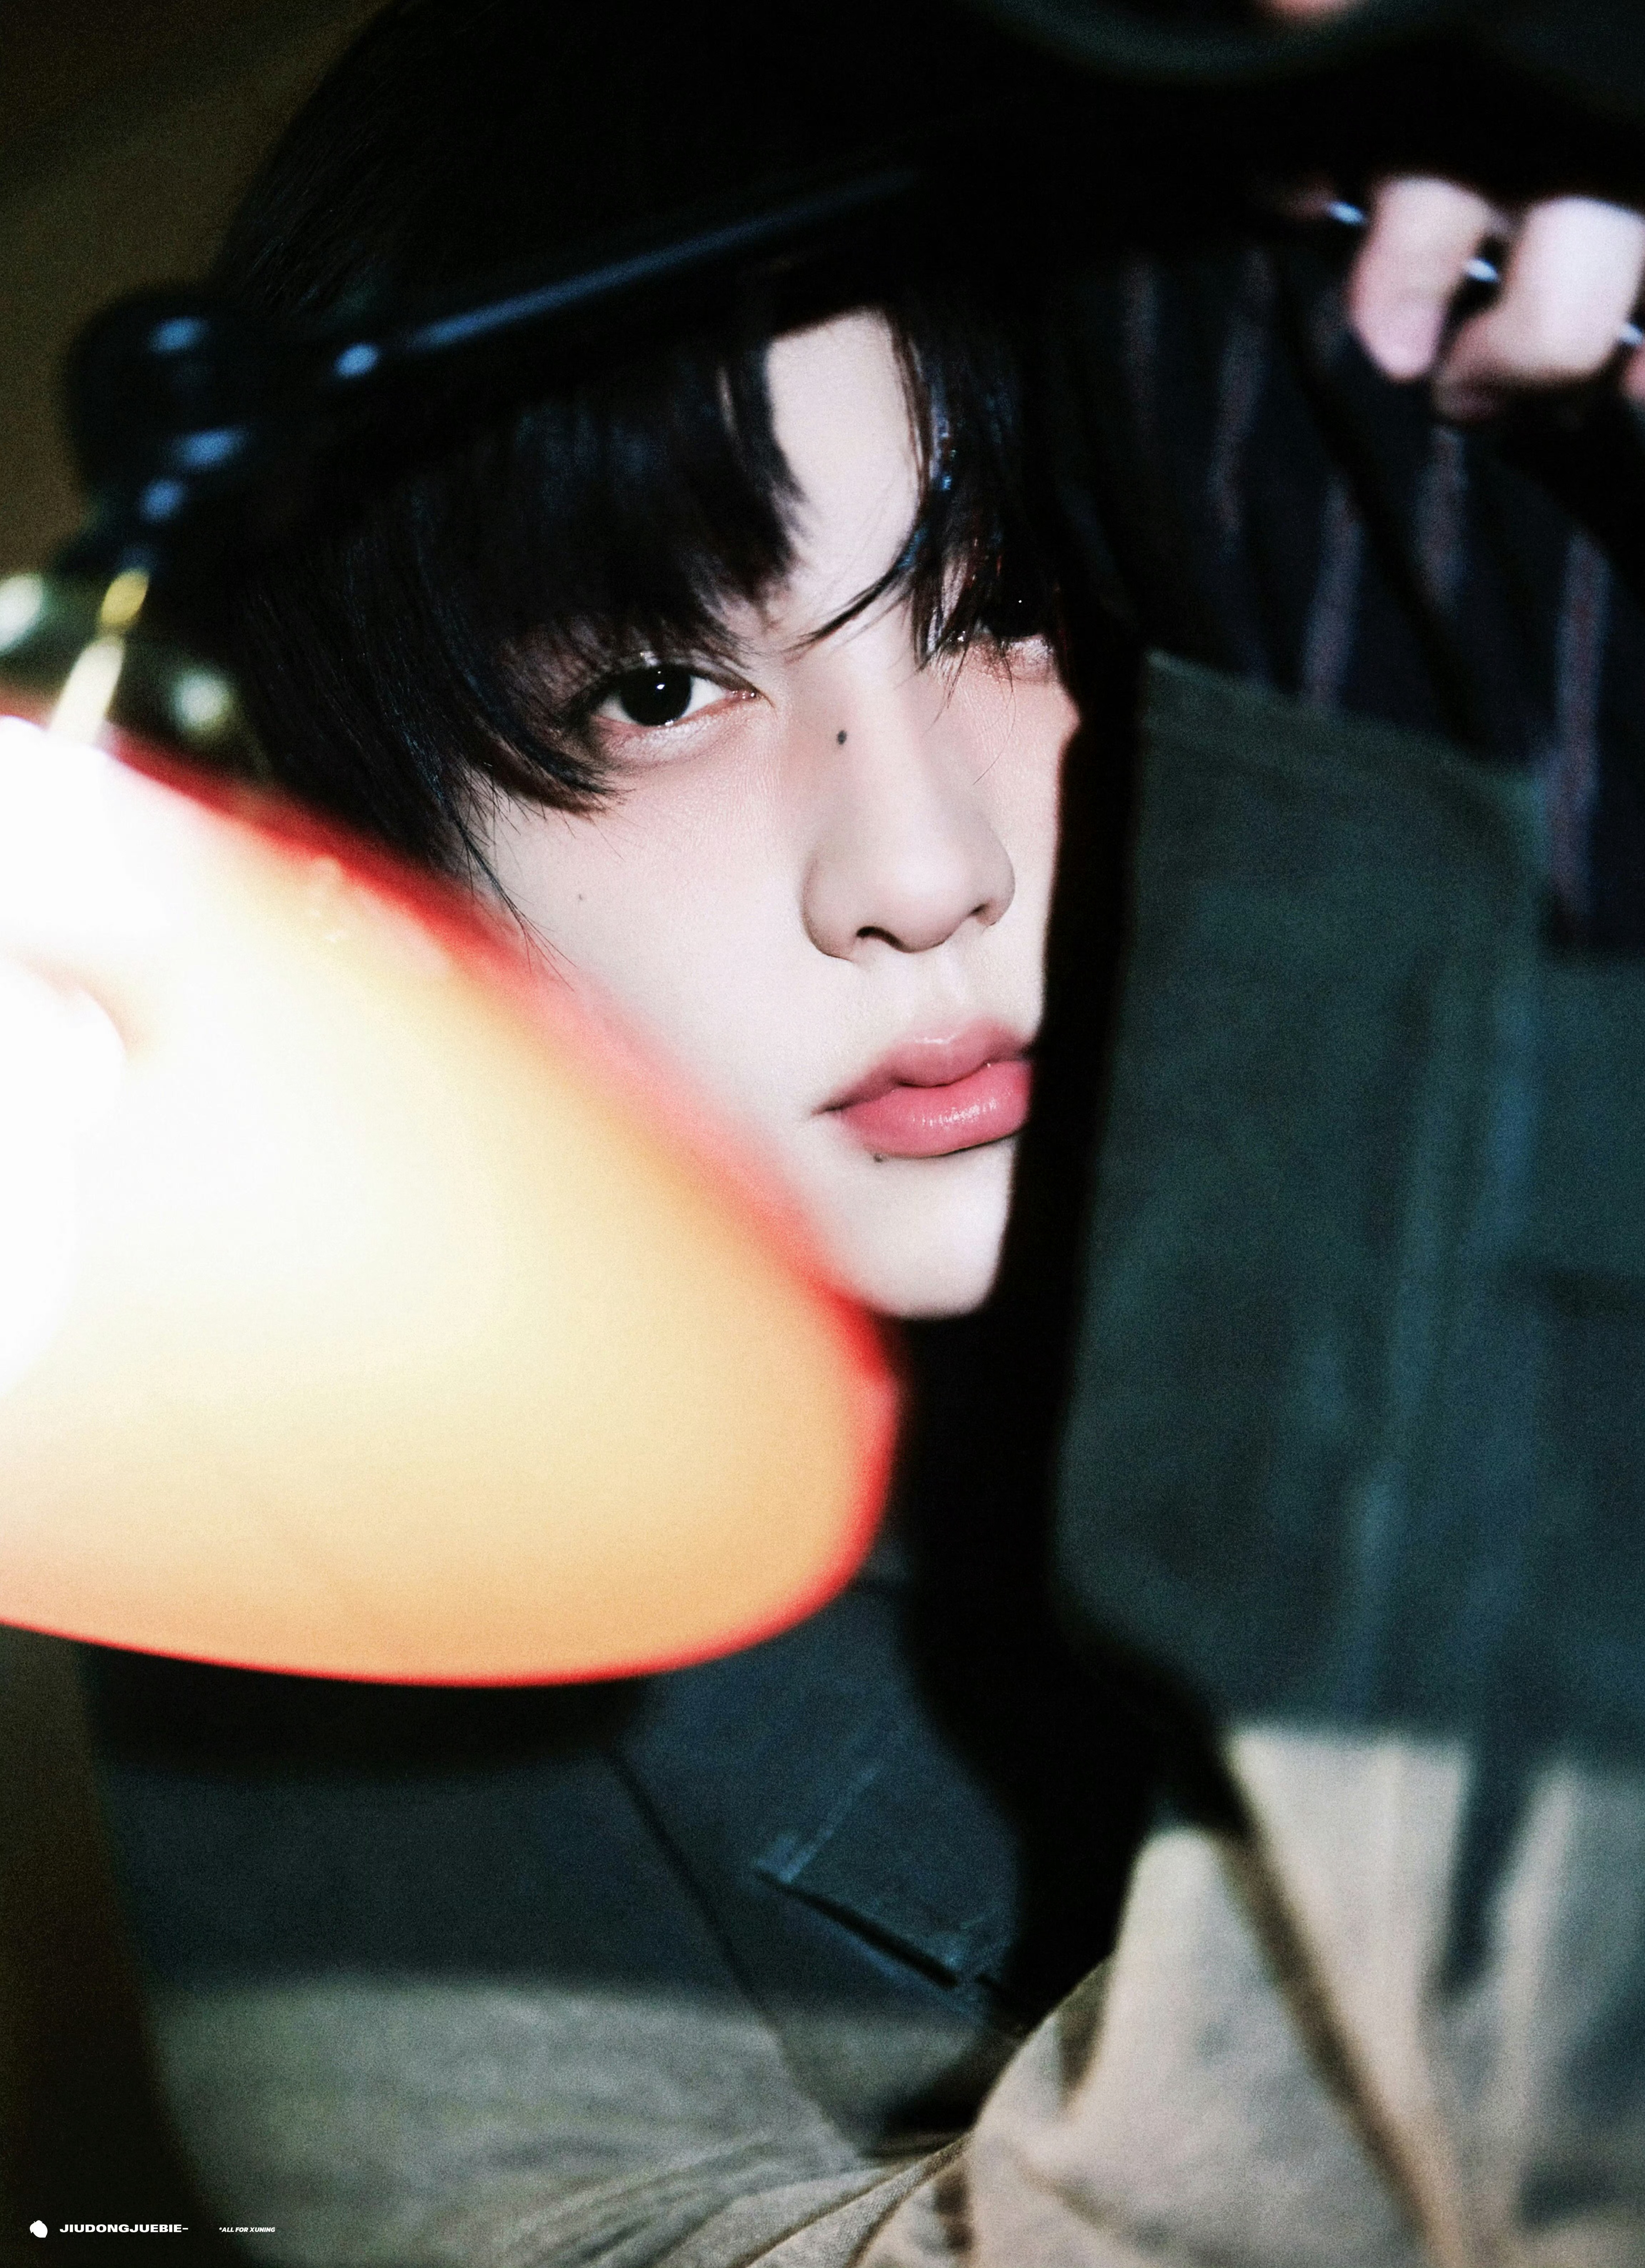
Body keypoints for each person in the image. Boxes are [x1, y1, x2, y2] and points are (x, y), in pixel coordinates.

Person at [82, 0, 1152, 2259]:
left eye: (1019, 611)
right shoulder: (326, 1563)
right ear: (404, 849)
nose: (917, 866)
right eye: (661, 689)